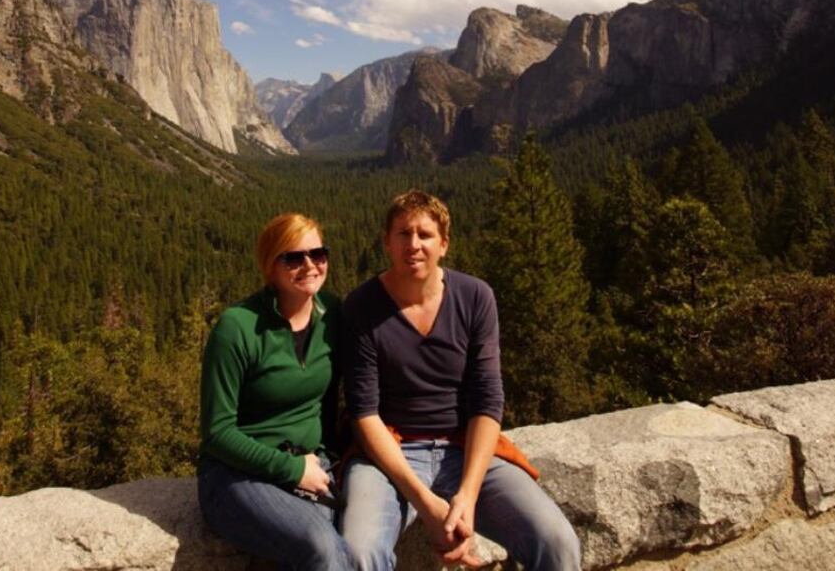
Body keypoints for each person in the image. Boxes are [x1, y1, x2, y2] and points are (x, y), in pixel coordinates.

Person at [340, 190, 581, 571]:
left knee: (557, 541)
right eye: (403, 234)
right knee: (358, 552)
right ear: (387, 242)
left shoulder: (475, 297)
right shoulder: (361, 307)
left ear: (444, 244)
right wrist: (425, 502)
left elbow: (488, 399)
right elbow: (364, 413)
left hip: (463, 449)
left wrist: (466, 496)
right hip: (390, 455)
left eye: (425, 234)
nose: (413, 245)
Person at [198, 213, 355, 570]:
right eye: (293, 258)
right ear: (270, 264)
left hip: (313, 465)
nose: (310, 265)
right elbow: (216, 432)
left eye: (319, 254)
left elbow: (334, 398)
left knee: (354, 537)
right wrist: (291, 468)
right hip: (235, 476)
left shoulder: (332, 313)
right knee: (320, 545)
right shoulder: (237, 328)